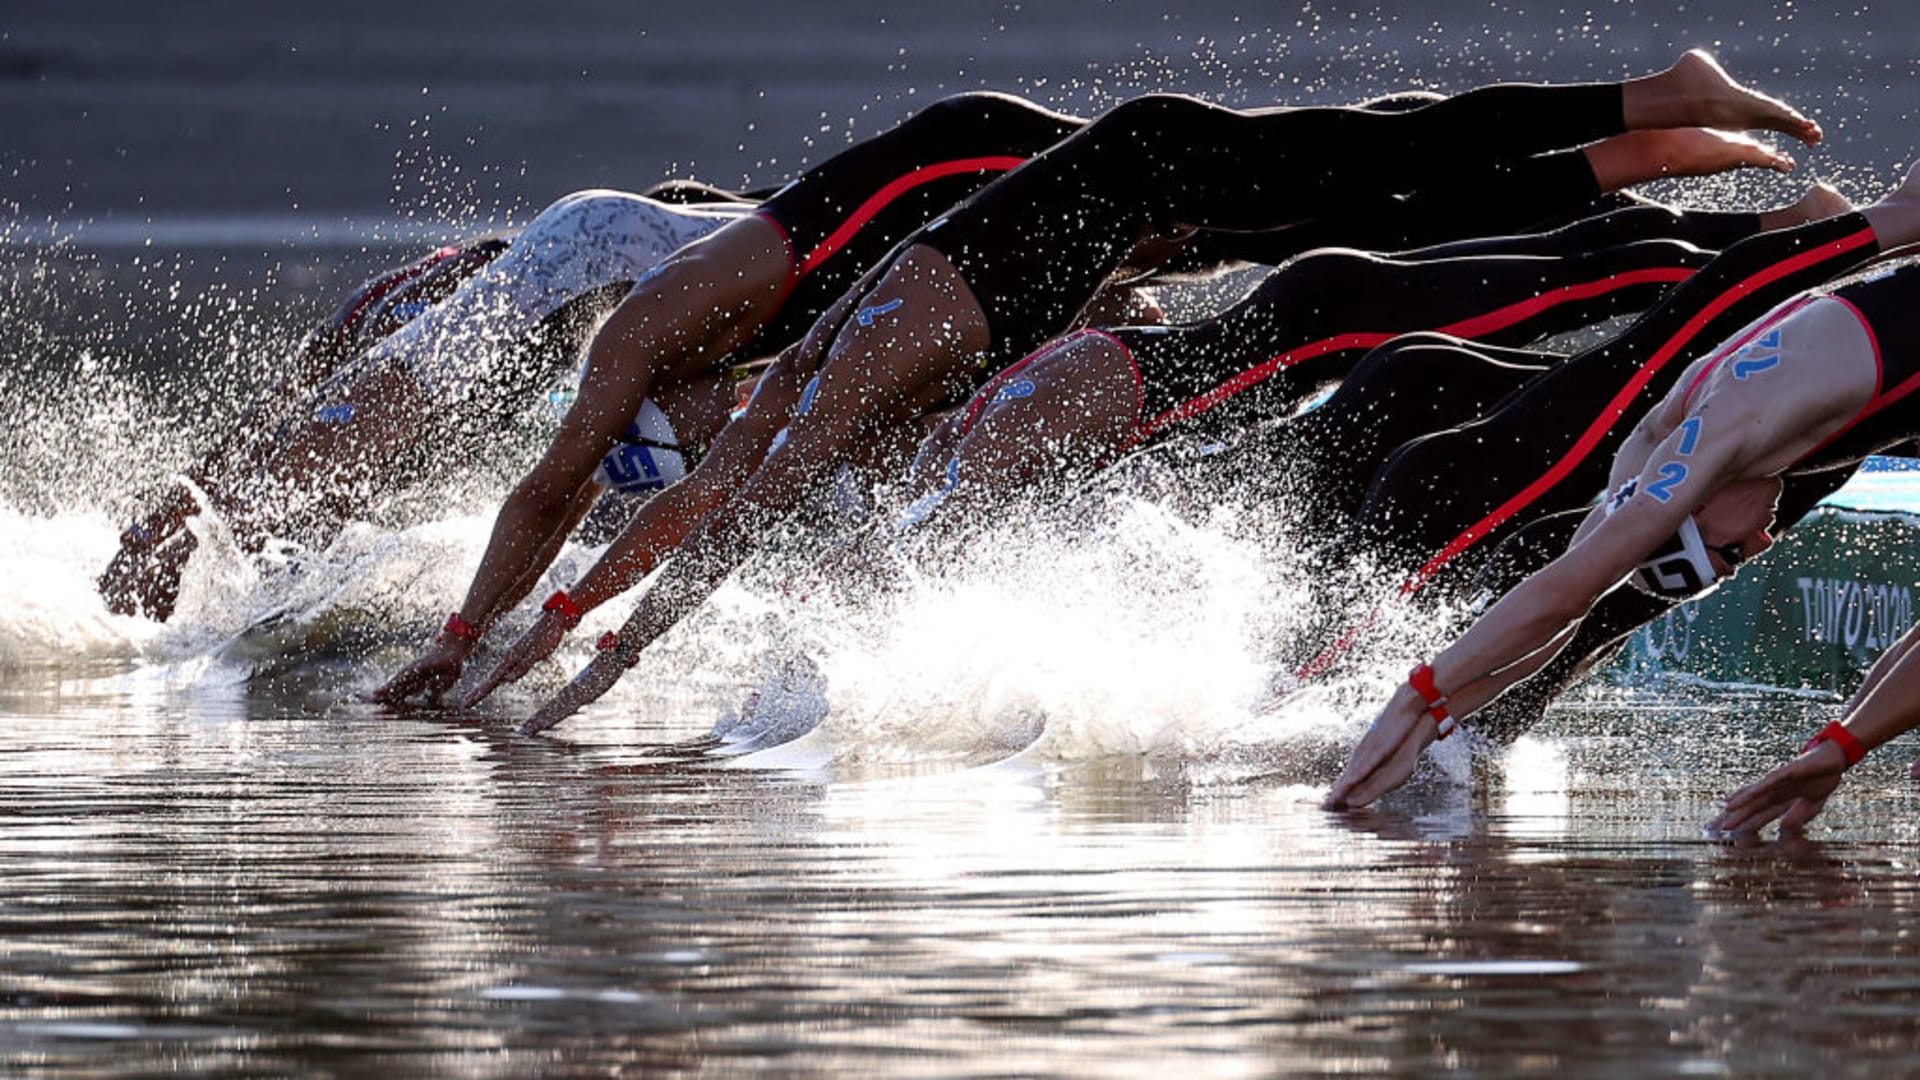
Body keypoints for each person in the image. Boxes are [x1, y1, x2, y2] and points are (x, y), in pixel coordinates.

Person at [512, 51, 1825, 733]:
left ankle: (1671, 133)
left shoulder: (822, 410)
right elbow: (722, 519)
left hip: (1146, 204)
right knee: (1383, 173)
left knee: (1389, 173)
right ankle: (1656, 148)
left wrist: (572, 648)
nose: (718, 438)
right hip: (1150, 243)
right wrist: (573, 640)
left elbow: (715, 528)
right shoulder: (815, 379)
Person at [1325, 162, 1920, 813]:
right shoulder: (1652, 445)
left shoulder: (1716, 441)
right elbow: (1562, 616)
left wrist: (1410, 702)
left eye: (1732, 553)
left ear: (1688, 513)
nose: (1764, 539)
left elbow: (1565, 595)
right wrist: (1437, 717)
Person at [98, 181, 762, 621]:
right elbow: (281, 425)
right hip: (456, 322)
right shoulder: (446, 307)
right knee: (295, 488)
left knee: (305, 494)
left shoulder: (532, 302)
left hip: (479, 320)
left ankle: (179, 563)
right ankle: (158, 562)